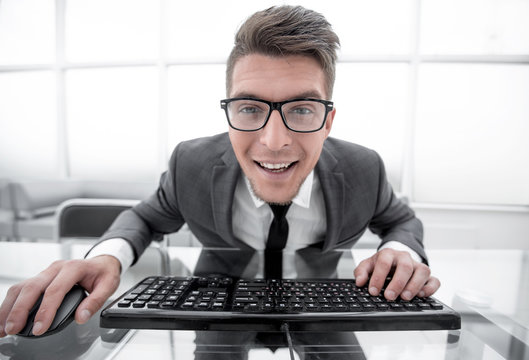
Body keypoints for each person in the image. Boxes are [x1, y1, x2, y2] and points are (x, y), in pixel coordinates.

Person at [0, 5, 440, 339]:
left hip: (324, 309)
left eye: (302, 109)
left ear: (328, 120)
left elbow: (400, 220)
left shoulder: (364, 168)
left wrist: (404, 252)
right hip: (216, 305)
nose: (273, 141)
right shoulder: (191, 163)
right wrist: (105, 258)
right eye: (249, 108)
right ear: (228, 111)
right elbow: (146, 218)